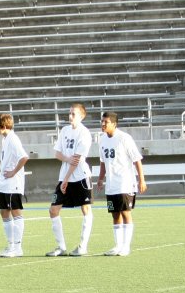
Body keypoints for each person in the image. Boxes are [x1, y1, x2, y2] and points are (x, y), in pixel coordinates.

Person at [47, 103, 94, 257]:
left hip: (80, 176)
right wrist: (66, 163)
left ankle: (83, 246)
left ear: (82, 116)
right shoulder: (65, 130)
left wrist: (67, 178)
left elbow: (77, 160)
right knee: (53, 210)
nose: (70, 116)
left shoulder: (84, 133)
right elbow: (57, 153)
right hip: (64, 177)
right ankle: (61, 247)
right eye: (69, 113)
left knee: (85, 209)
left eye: (73, 114)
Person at [97, 111, 147, 256]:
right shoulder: (102, 139)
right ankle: (117, 246)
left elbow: (137, 159)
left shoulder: (124, 138)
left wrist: (141, 180)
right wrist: (101, 178)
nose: (103, 124)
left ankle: (126, 246)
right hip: (111, 185)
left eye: (105, 122)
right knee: (115, 215)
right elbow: (102, 161)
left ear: (114, 123)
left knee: (125, 213)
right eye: (102, 121)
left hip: (125, 183)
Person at [0, 113, 29, 257]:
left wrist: (14, 172)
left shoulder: (13, 139)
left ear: (3, 126)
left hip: (13, 183)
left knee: (15, 212)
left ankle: (17, 248)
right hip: (4, 182)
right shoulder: (5, 139)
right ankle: (10, 245)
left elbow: (24, 157)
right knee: (4, 212)